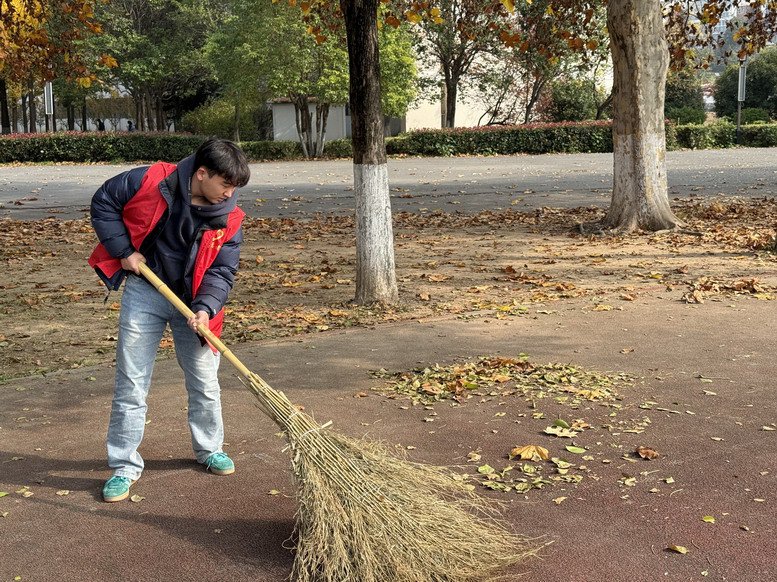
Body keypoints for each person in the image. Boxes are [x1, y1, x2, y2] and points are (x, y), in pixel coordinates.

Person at [88, 138, 251, 502]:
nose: (230, 193)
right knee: (131, 382)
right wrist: (123, 251)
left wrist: (206, 308)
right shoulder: (149, 180)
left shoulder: (230, 218)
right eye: (225, 184)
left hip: (194, 304)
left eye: (235, 187)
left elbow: (222, 271)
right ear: (202, 174)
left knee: (205, 381)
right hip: (146, 292)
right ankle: (123, 465)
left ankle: (209, 449)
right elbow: (104, 201)